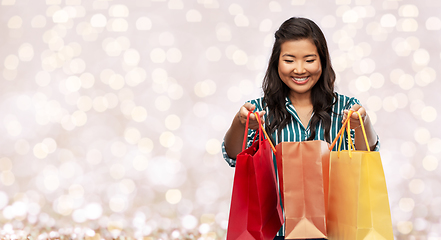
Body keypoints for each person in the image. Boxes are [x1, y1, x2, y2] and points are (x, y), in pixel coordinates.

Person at [222, 17, 379, 239]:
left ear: (322, 61)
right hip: (276, 231)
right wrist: (240, 123)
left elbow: (367, 157)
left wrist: (364, 124)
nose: (299, 69)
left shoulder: (345, 107)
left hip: (336, 231)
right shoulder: (259, 110)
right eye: (289, 60)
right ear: (276, 63)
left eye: (309, 60)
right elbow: (234, 157)